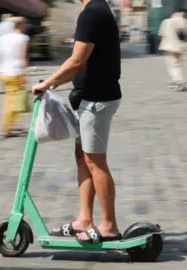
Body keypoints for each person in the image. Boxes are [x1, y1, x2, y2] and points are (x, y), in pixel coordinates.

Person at [31, 0, 122, 243]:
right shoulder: (97, 10)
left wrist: (47, 83)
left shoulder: (92, 12)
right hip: (90, 98)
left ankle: (109, 226)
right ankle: (84, 219)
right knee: (83, 158)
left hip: (97, 100)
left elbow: (77, 61)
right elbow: (82, 63)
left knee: (95, 162)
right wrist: (55, 82)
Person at [158, 10, 187, 91]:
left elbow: (161, 34)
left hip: (169, 47)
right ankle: (179, 79)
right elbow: (185, 36)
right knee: (178, 65)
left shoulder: (166, 21)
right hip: (179, 47)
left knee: (171, 66)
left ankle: (178, 81)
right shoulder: (184, 22)